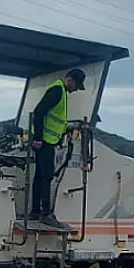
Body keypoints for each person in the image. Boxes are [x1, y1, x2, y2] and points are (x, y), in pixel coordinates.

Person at [27, 68, 86, 232]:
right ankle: (46, 213)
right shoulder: (57, 91)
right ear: (70, 80)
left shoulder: (59, 90)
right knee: (46, 176)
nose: (75, 90)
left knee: (40, 175)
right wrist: (38, 137)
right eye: (76, 85)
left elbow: (53, 119)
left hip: (47, 140)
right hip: (44, 141)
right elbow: (39, 112)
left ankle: (35, 211)